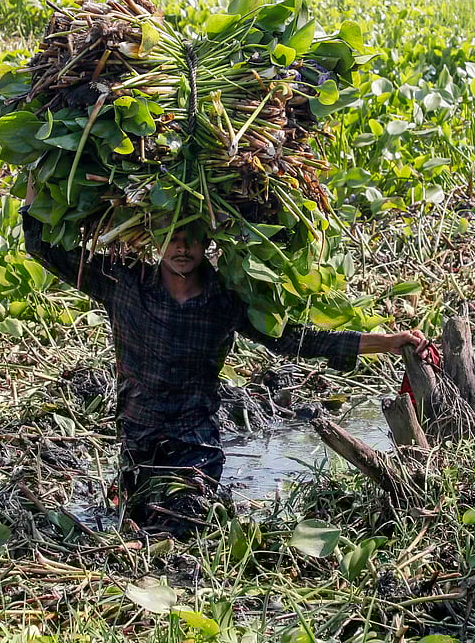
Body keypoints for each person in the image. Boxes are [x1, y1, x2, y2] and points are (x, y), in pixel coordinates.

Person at [21, 182, 424, 532]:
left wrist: (386, 342)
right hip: (138, 438)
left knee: (185, 521)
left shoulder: (226, 299)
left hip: (197, 443)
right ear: (154, 237)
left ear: (207, 242)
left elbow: (295, 341)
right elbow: (43, 248)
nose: (182, 247)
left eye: (192, 236)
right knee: (137, 518)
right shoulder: (122, 283)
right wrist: (36, 180)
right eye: (172, 236)